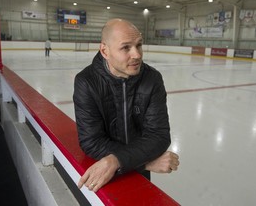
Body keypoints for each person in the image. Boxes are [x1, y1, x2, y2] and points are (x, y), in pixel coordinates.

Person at [73, 19, 180, 192]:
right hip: (105, 173)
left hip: (132, 170)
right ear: (104, 51)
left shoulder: (152, 79)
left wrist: (118, 160)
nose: (137, 54)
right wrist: (145, 163)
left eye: (139, 45)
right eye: (126, 48)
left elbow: (159, 135)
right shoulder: (87, 82)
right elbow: (91, 141)